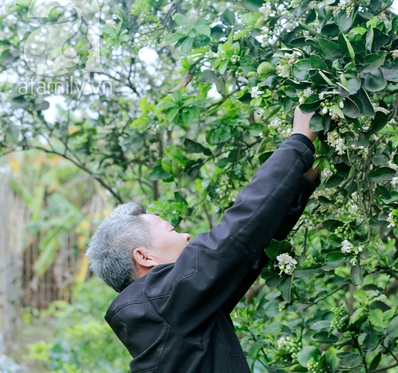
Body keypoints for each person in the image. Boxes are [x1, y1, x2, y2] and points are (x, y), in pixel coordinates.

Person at [85, 107, 320, 372]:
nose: (186, 235)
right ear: (144, 256)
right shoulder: (161, 303)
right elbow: (233, 235)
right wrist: (300, 139)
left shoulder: (169, 314)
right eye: (172, 230)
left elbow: (245, 257)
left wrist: (297, 188)